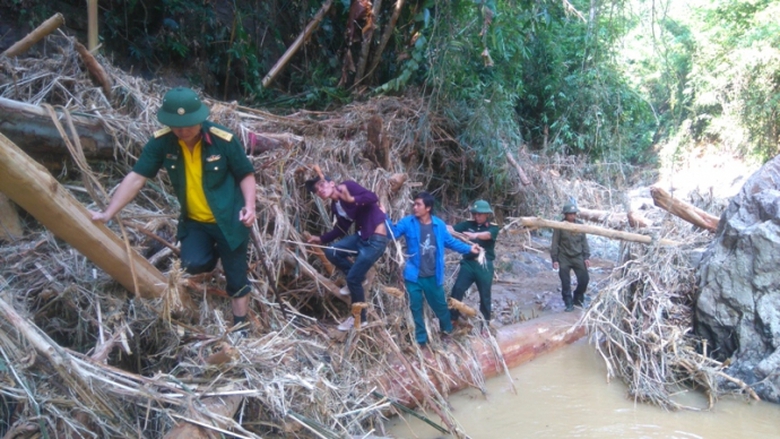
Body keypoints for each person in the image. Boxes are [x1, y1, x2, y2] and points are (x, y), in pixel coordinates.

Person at [92, 87, 257, 332]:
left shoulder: (223, 140)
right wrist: (108, 213)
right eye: (177, 126)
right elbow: (137, 177)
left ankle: (240, 327)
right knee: (192, 263)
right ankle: (213, 257)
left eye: (188, 125)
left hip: (230, 220)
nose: (183, 131)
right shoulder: (163, 142)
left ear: (200, 118)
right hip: (195, 221)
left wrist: (250, 207)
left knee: (236, 277)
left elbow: (246, 174)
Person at [388, 191, 480, 346]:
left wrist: (469, 249)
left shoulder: (438, 225)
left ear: (428, 208)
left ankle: (447, 331)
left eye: (418, 204)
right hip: (413, 276)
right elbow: (393, 233)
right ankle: (421, 340)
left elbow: (450, 242)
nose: (415, 207)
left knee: (440, 306)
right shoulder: (408, 222)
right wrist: (382, 216)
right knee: (416, 308)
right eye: (414, 204)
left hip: (433, 275)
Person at [305, 175, 388, 331]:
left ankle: (359, 319)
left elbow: (372, 197)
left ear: (332, 183)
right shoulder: (335, 206)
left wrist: (351, 199)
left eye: (322, 185)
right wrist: (321, 239)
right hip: (362, 237)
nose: (320, 190)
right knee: (332, 252)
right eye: (317, 190)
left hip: (376, 240)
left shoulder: (348, 187)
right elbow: (341, 229)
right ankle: (358, 278)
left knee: (352, 279)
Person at [449, 199, 500, 325]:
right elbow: (452, 229)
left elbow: (488, 235)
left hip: (484, 265)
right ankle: (453, 319)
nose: (477, 216)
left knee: (485, 295)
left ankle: (485, 325)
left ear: (487, 214)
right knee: (457, 289)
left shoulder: (493, 227)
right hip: (468, 263)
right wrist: (441, 226)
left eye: (480, 214)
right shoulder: (468, 224)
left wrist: (475, 235)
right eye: (475, 214)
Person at [550, 202, 590, 312]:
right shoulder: (559, 226)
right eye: (570, 214)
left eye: (574, 214)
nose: (573, 216)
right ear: (565, 215)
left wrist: (586, 257)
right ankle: (568, 302)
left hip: (578, 256)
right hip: (564, 257)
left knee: (584, 279)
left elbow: (584, 242)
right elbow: (555, 243)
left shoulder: (580, 225)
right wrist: (555, 259)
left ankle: (578, 297)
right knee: (565, 282)